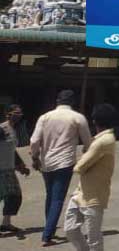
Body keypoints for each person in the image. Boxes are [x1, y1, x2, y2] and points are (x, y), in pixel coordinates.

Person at [30, 89, 92, 246]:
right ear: (73, 102)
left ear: (57, 101)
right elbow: (88, 142)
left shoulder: (45, 117)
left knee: (50, 196)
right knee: (57, 199)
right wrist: (86, 155)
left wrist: (35, 157)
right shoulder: (77, 117)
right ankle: (47, 235)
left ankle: (48, 227)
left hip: (46, 162)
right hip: (65, 162)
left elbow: (34, 140)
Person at [63, 103, 116, 251]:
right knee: (70, 229)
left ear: (94, 121)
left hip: (94, 196)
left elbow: (79, 167)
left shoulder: (103, 141)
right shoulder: (99, 140)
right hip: (80, 193)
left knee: (94, 239)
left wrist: (84, 156)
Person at [0, 105, 30, 235]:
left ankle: (6, 223)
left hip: (8, 168)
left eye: (20, 113)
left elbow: (11, 150)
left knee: (11, 196)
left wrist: (21, 166)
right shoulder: (2, 129)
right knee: (13, 195)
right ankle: (6, 223)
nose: (19, 115)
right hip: (2, 169)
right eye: (16, 113)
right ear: (8, 114)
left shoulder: (13, 129)